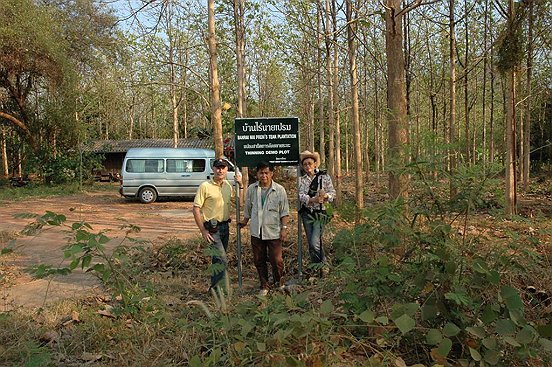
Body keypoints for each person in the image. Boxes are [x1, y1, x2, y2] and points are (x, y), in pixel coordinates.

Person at [239, 161, 290, 296]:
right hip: (257, 231)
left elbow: (284, 212)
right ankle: (264, 286)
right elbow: (248, 208)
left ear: (271, 174)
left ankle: (280, 283)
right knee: (259, 260)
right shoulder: (252, 189)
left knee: (276, 260)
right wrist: (244, 221)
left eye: (266, 172)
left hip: (273, 232)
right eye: (261, 173)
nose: (264, 175)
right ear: (257, 174)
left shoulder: (279, 190)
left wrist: (284, 228)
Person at [192, 157, 243, 291]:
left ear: (227, 170)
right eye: (218, 167)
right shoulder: (205, 186)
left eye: (223, 168)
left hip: (225, 227)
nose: (220, 170)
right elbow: (196, 208)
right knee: (221, 259)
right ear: (213, 169)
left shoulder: (227, 186)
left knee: (217, 260)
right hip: (212, 229)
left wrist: (241, 185)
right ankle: (218, 289)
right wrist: (203, 230)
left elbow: (239, 204)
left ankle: (215, 289)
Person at [298, 150, 336, 274]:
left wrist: (325, 196)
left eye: (310, 163)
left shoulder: (324, 177)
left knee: (315, 242)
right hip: (307, 213)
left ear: (315, 164)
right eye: (305, 164)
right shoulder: (301, 179)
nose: (308, 166)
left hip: (321, 213)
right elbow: (300, 195)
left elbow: (332, 193)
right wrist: (311, 199)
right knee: (312, 243)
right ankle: (318, 268)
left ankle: (321, 266)